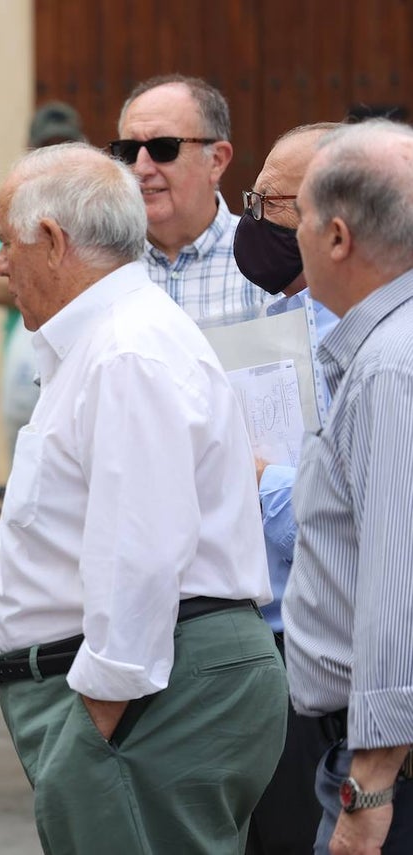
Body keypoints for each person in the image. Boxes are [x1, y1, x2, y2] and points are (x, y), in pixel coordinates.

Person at [0, 142, 288, 854]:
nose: (0, 265)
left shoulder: (124, 350)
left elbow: (143, 547)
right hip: (149, 690)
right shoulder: (107, 342)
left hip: (145, 695)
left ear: (52, 241)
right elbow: (92, 522)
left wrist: (100, 714)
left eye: (7, 243)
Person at [283, 118, 413, 855]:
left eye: (295, 212)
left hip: (387, 774)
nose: (287, 233)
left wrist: (370, 790)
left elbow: (398, 592)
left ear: (337, 236)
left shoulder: (392, 365)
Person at [232, 123, 342, 855]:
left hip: (348, 666)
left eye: (269, 202)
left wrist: (261, 482)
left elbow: (345, 514)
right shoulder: (281, 318)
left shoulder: (383, 346)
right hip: (274, 641)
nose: (253, 219)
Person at [113, 74, 270, 323]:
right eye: (129, 151)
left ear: (216, 160)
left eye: (164, 148)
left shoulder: (266, 260)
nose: (142, 168)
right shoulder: (98, 267)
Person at [0, 102, 85, 449]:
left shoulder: (96, 206)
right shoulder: (11, 205)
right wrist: (65, 282)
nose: (54, 158)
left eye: (63, 147)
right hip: (29, 359)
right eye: (45, 148)